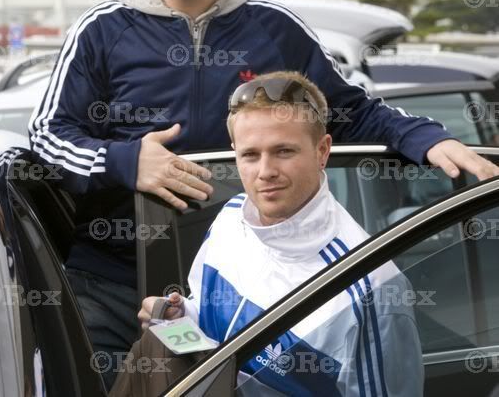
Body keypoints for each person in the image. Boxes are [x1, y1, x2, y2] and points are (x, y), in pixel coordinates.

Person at [27, 0, 497, 388]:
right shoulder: (101, 29)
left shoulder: (274, 28)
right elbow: (46, 137)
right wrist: (126, 161)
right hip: (110, 285)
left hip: (234, 281)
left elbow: (350, 111)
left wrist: (425, 138)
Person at [137, 71, 423, 396]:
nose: (265, 172)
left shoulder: (371, 288)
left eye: (283, 151)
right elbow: (206, 329)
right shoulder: (231, 217)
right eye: (250, 155)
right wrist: (177, 319)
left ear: (322, 151)